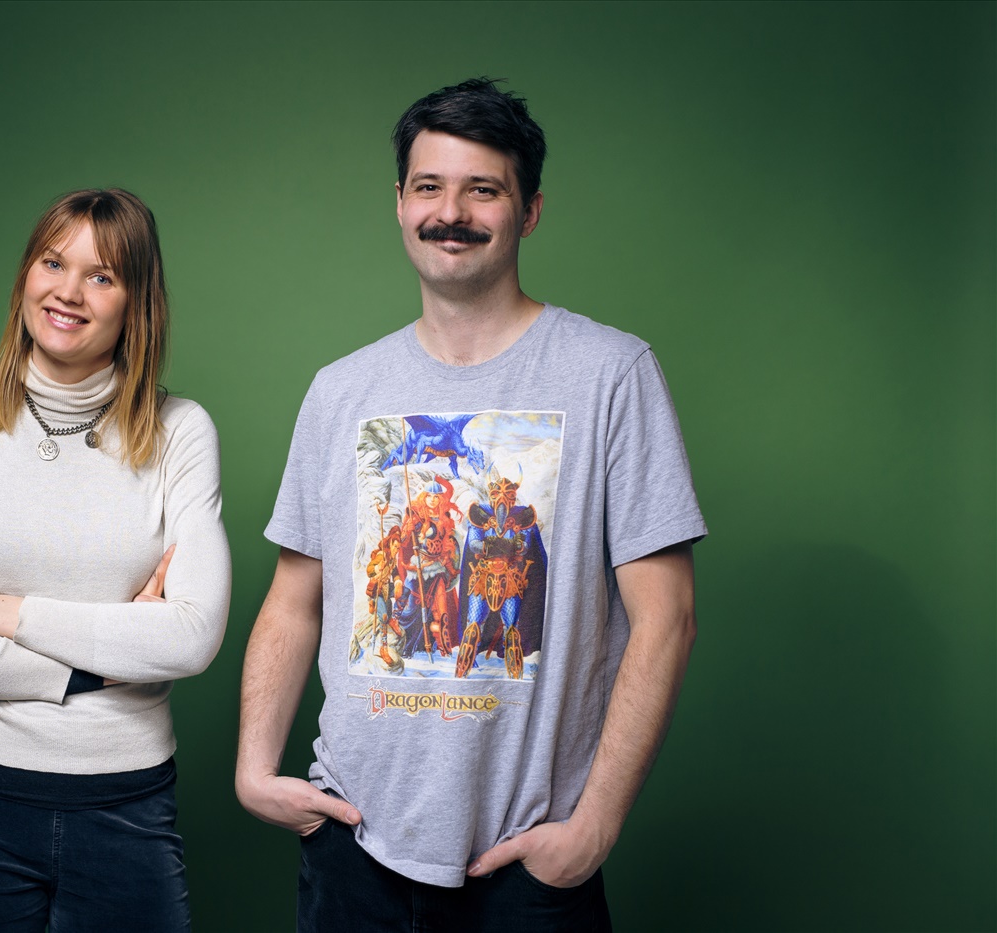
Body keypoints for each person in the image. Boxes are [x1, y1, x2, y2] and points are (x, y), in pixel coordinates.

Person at [235, 78, 706, 932]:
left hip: (530, 863)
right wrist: (253, 770)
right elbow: (294, 597)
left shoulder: (611, 374)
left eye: (482, 189)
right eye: (429, 187)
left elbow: (666, 616)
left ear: (529, 211)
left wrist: (592, 829)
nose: (450, 212)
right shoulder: (341, 391)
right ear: (400, 202)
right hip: (353, 846)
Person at [0, 188, 229, 932]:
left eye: (101, 276)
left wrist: (11, 614)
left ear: (136, 303)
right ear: (25, 277)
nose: (68, 292)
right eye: (53, 263)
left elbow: (191, 638)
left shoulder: (180, 432)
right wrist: (103, 664)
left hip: (127, 807)